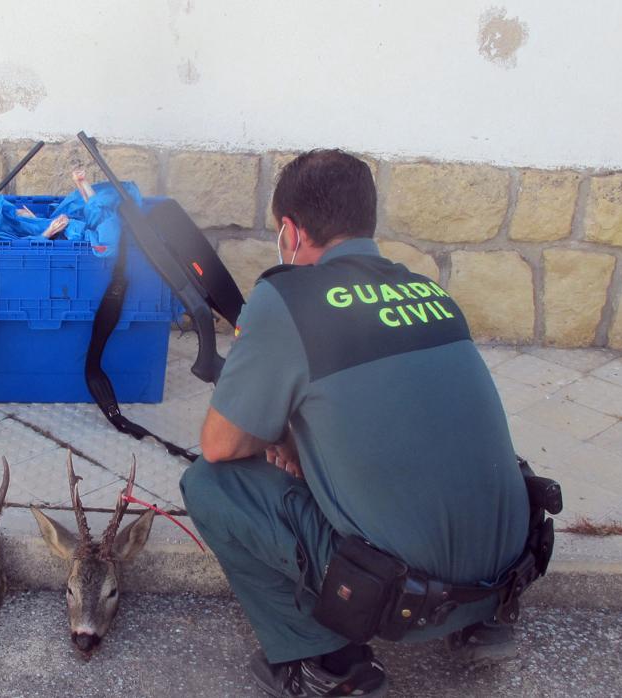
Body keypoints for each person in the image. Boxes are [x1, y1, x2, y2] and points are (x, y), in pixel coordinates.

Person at [180, 149, 530, 697]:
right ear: (367, 220)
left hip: (407, 600)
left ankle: (324, 663)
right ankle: (483, 620)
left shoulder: (285, 298)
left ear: (290, 233)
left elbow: (221, 446)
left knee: (209, 483)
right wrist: (299, 439)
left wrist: (277, 432)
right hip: (508, 571)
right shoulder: (431, 293)